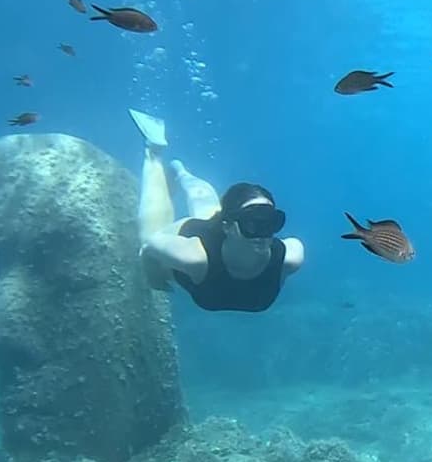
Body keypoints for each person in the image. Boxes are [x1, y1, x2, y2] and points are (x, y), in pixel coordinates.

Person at [130, 109, 304, 312]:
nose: (263, 233)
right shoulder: (192, 258)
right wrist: (152, 273)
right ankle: (154, 153)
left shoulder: (289, 258)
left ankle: (181, 172)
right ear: (228, 227)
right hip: (197, 235)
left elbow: (292, 244)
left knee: (206, 204)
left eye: (271, 222)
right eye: (252, 223)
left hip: (222, 229)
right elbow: (150, 245)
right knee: (149, 233)